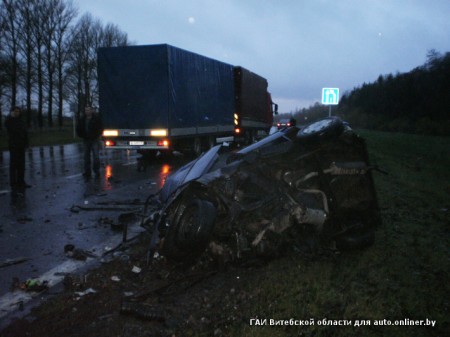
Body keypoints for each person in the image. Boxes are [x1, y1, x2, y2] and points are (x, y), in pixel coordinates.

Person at [5, 106, 30, 191]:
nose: (17, 113)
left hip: (21, 146)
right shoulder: (9, 121)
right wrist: (10, 116)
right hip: (14, 146)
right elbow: (7, 126)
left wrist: (26, 144)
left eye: (18, 111)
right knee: (13, 165)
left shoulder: (21, 121)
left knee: (21, 165)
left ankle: (21, 182)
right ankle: (13, 183)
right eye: (15, 111)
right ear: (12, 112)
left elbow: (25, 133)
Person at [76, 105, 103, 178]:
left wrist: (97, 135)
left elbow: (100, 128)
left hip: (94, 140)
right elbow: (78, 127)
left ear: (91, 110)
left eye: (88, 110)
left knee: (96, 156)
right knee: (86, 157)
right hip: (86, 140)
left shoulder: (96, 119)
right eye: (86, 110)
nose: (87, 111)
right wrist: (81, 135)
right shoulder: (82, 119)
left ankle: (96, 171)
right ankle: (87, 172)